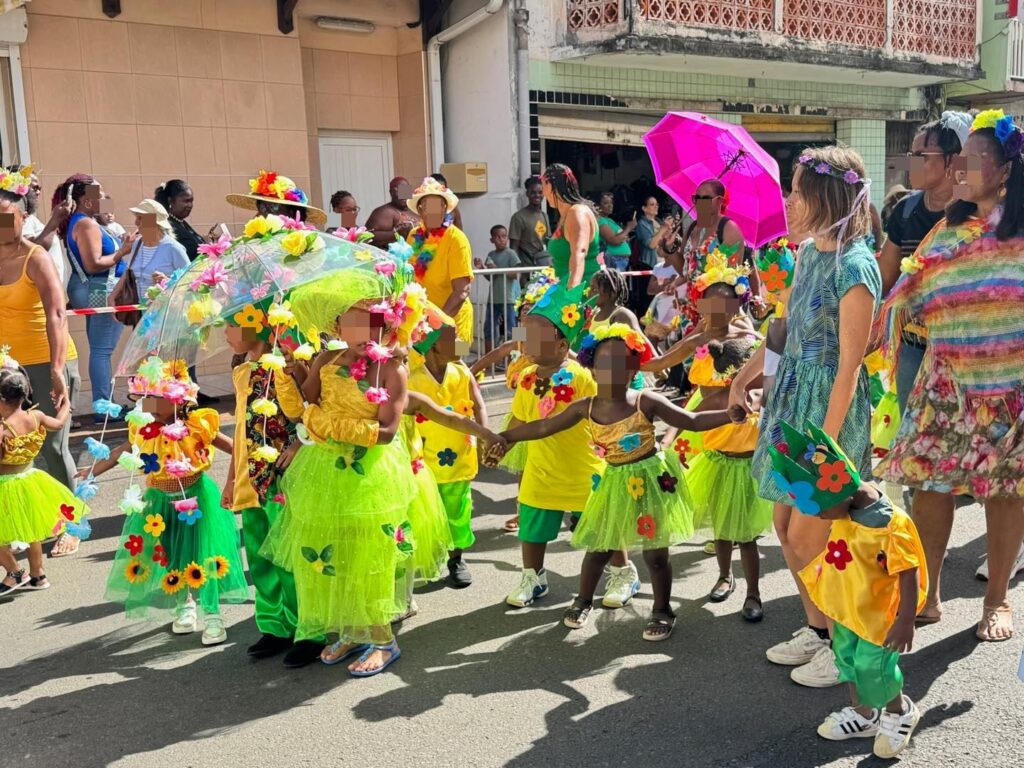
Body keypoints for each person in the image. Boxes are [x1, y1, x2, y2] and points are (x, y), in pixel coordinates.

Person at [877, 109, 1024, 641]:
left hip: (1010, 388)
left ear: (1005, 170)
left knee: (1005, 491)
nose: (960, 168)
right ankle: (928, 593)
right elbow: (908, 294)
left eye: (974, 159)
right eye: (959, 158)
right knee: (930, 484)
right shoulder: (946, 229)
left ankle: (997, 600)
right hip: (944, 384)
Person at [743, 146, 881, 688]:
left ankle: (846, 646)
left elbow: (849, 366)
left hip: (828, 414)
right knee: (785, 527)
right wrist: (747, 373)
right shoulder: (807, 253)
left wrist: (826, 443)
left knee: (813, 538)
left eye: (798, 191)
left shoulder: (856, 267)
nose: (789, 201)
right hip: (792, 404)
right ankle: (819, 631)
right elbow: (786, 326)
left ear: (827, 198)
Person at [497, 323, 731, 640]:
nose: (612, 371)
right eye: (604, 363)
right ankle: (583, 601)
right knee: (599, 547)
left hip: (652, 482)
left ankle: (662, 610)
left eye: (621, 364)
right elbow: (543, 427)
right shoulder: (586, 407)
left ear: (633, 369)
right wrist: (505, 437)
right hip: (615, 482)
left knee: (655, 555)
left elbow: (691, 420)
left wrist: (731, 414)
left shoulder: (645, 401)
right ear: (592, 368)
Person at [260, 270, 420, 676]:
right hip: (325, 472)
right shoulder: (326, 360)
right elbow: (305, 405)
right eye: (353, 322)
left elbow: (387, 431)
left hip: (369, 475)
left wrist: (330, 426)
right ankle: (352, 630)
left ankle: (383, 639)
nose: (363, 331)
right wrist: (291, 375)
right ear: (337, 327)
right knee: (337, 553)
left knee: (369, 557)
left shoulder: (391, 369)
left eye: (371, 321)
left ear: (384, 323)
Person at [770, 421, 926, 759]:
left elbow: (908, 570)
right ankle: (864, 715)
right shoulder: (845, 508)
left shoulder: (889, 524)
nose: (819, 517)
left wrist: (905, 620)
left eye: (820, 510)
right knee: (847, 660)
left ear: (840, 491)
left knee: (874, 666)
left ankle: (899, 711)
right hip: (848, 604)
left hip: (878, 611)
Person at [97, 359, 247, 646]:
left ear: (178, 400)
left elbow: (235, 447)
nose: (148, 405)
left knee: (205, 554)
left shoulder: (197, 424)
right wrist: (90, 473)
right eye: (145, 398)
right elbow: (119, 453)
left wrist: (239, 476)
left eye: (156, 398)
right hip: (158, 503)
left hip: (196, 498)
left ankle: (213, 614)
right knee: (170, 553)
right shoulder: (143, 427)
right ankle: (184, 604)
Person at [220, 301, 314, 667]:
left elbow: (309, 411)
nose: (225, 335)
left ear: (255, 326)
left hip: (284, 476)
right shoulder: (242, 371)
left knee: (291, 554)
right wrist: (231, 478)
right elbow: (240, 429)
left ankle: (308, 628)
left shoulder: (286, 365)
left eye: (230, 326)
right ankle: (275, 624)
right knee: (260, 554)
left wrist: (298, 443)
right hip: (251, 478)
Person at [501, 281, 606, 608]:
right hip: (541, 468)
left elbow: (601, 416)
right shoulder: (527, 377)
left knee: (603, 525)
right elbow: (519, 419)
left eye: (536, 335)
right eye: (526, 333)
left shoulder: (582, 376)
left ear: (562, 345)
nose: (527, 340)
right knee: (532, 523)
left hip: (582, 468)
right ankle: (533, 577)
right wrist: (500, 444)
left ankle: (621, 571)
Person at [878, 112, 971, 416]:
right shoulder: (905, 211)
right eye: (911, 155)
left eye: (921, 156)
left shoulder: (976, 215)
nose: (911, 163)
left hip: (964, 352)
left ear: (953, 161)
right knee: (912, 429)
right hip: (914, 349)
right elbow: (885, 279)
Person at [408, 320, 487, 588]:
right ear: (433, 348)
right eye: (452, 339)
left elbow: (478, 404)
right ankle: (430, 556)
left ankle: (456, 560)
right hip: (424, 461)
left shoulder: (462, 372)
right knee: (426, 513)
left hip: (459, 457)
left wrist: (485, 435)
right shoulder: (412, 379)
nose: (460, 343)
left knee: (458, 511)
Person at [0, 357, 87, 594]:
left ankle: (15, 572)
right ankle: (38, 575)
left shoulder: (3, 429)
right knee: (32, 529)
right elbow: (58, 424)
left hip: (5, 486)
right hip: (30, 480)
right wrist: (66, 402)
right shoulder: (35, 417)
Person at [57, 175, 134, 414]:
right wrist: (122, 251)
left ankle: (104, 404)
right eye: (99, 196)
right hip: (100, 289)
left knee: (99, 348)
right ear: (87, 201)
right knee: (102, 350)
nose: (104, 200)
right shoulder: (86, 224)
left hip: (92, 288)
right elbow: (93, 264)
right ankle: (104, 407)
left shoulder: (82, 222)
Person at [407, 177, 475, 344]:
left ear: (445, 208)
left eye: (437, 206)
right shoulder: (414, 236)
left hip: (453, 322)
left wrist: (437, 324)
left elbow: (462, 291)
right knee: (422, 361)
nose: (433, 212)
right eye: (427, 206)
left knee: (459, 359)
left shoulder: (456, 239)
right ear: (420, 210)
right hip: (423, 322)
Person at [541, 164, 600, 291]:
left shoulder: (577, 212)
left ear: (549, 185)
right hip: (562, 287)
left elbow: (579, 253)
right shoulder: (566, 215)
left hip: (582, 291)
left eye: (543, 185)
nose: (543, 193)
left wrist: (571, 293)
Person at [8, 166, 69, 285]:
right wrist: (55, 220)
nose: (38, 192)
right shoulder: (18, 217)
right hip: (35, 289)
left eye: (39, 188)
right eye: (34, 187)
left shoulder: (28, 217)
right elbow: (30, 252)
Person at [124, 200, 189, 296]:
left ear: (155, 223)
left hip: (163, 304)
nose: (136, 222)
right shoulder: (137, 243)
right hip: (138, 305)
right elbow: (127, 273)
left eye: (140, 218)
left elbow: (189, 281)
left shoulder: (173, 248)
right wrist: (112, 297)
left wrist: (167, 281)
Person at [226, 170, 327, 230]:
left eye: (273, 206)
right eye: (261, 205)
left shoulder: (305, 242)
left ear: (292, 212)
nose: (266, 211)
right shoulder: (256, 238)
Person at [156, 179, 222, 262]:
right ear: (170, 201)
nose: (190, 205)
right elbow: (189, 253)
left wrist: (210, 242)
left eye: (191, 201)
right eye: (186, 201)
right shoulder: (168, 226)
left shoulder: (180, 221)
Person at [483, 224, 521, 350]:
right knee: (488, 329)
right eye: (498, 237)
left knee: (512, 329)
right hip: (493, 299)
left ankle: (514, 357)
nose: (501, 239)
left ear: (507, 238)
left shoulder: (511, 253)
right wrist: (482, 268)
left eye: (504, 236)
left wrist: (497, 269)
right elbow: (490, 278)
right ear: (492, 240)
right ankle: (488, 357)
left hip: (509, 298)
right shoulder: (491, 254)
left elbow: (515, 274)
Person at [508, 176, 550, 269]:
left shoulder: (544, 216)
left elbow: (547, 242)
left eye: (540, 192)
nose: (537, 195)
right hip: (526, 268)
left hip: (542, 266)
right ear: (527, 194)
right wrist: (518, 270)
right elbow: (513, 247)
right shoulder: (518, 217)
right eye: (533, 192)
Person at [366, 177, 417, 249]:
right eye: (398, 191)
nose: (403, 195)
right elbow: (367, 237)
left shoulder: (415, 209)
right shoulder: (384, 212)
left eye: (405, 190)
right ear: (391, 193)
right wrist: (396, 234)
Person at [596, 191, 635, 272]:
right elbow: (614, 240)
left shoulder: (609, 220)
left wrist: (624, 236)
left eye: (611, 203)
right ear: (597, 206)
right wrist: (628, 228)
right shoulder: (600, 220)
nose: (610, 205)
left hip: (620, 260)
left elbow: (620, 237)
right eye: (606, 203)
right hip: (614, 260)